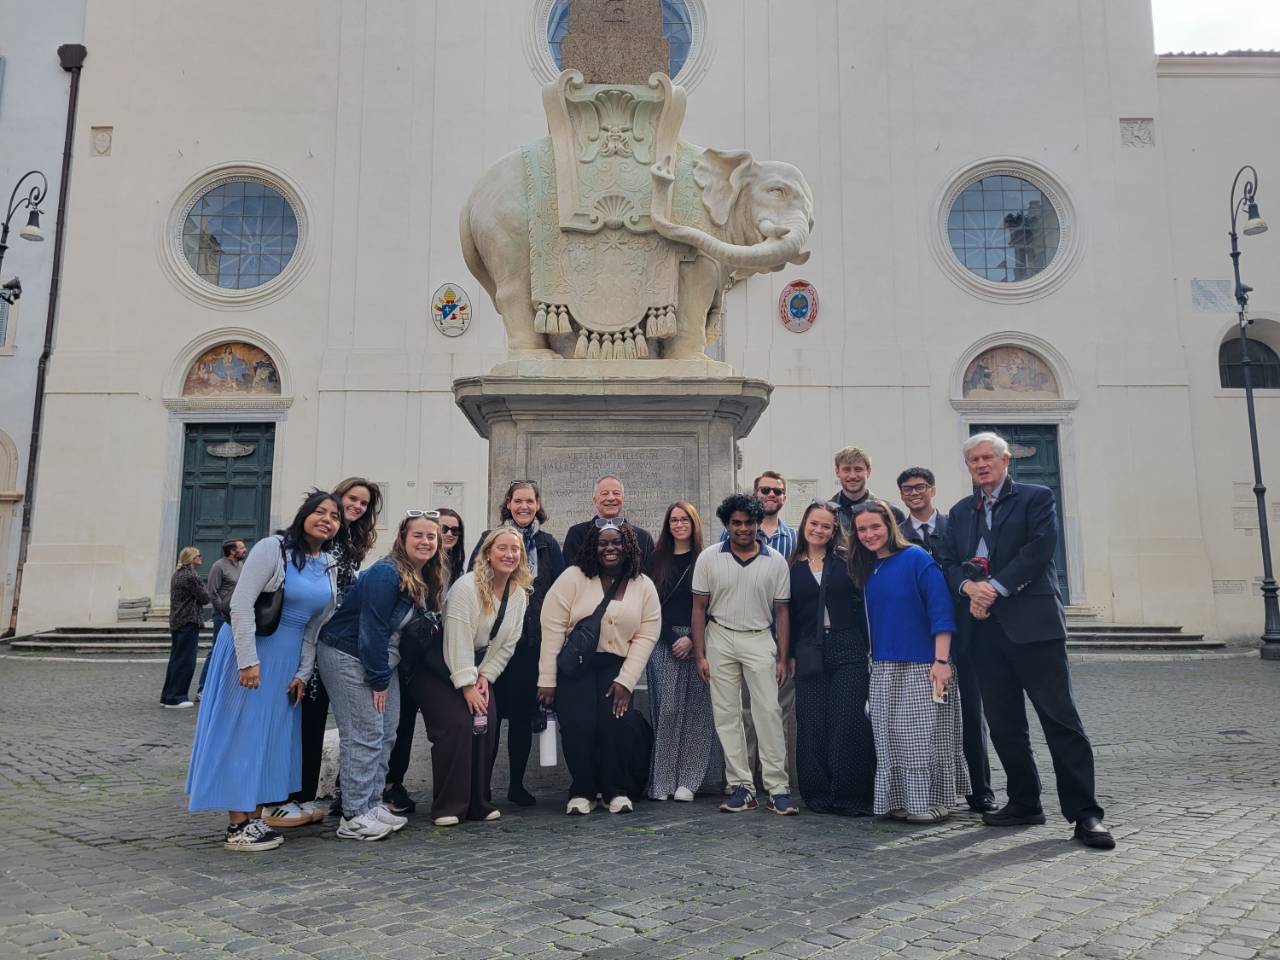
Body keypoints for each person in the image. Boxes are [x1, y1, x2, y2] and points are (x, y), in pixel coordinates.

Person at [941, 433, 1114, 849]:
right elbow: (947, 561)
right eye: (974, 460)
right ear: (968, 467)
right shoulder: (962, 511)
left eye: (988, 458)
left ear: (1005, 461)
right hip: (983, 631)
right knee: (1004, 724)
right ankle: (1024, 801)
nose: (981, 465)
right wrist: (968, 587)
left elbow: (1040, 550)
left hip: (1034, 628)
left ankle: (1085, 814)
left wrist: (994, 588)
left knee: (1060, 720)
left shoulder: (1037, 497)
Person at [185, 491, 341, 851]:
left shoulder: (327, 563)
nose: (327, 519)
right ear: (303, 514)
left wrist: (303, 673)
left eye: (334, 516)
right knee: (244, 734)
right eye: (319, 511)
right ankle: (237, 826)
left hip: (287, 660)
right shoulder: (274, 548)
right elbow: (240, 604)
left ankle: (255, 819)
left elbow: (313, 628)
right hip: (253, 652)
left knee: (269, 737)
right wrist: (248, 661)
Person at [316, 511, 444, 840]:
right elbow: (371, 630)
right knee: (365, 732)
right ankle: (354, 815)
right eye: (418, 535)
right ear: (403, 538)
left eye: (431, 536)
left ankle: (372, 803)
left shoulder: (421, 575)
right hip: (349, 654)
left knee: (387, 732)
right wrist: (378, 680)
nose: (425, 541)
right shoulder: (386, 574)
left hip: (381, 661)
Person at [849, 499, 967, 824]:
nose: (870, 534)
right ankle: (900, 799)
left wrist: (941, 660)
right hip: (884, 667)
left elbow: (941, 612)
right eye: (862, 529)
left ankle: (932, 800)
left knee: (924, 738)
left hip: (925, 664)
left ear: (889, 526)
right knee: (889, 739)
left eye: (875, 526)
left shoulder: (916, 558)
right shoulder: (868, 568)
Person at [539, 520, 660, 815]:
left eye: (616, 542)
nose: (610, 548)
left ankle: (614, 790)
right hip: (576, 666)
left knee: (614, 725)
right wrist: (547, 679)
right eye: (603, 543)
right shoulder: (573, 578)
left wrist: (628, 680)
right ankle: (582, 790)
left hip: (616, 667)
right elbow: (552, 627)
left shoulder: (642, 585)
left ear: (628, 546)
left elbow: (647, 634)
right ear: (593, 546)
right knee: (578, 726)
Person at [456, 482, 566, 807]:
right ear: (508, 503)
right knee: (488, 715)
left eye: (529, 501)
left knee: (521, 718)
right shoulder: (490, 539)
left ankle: (516, 785)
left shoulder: (547, 544)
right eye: (518, 500)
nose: (524, 506)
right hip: (494, 642)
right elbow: (473, 579)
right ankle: (482, 786)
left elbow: (560, 593)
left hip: (531, 644)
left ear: (537, 504)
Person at [282, 478, 383, 826]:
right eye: (351, 499)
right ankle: (287, 796)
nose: (356, 507)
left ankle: (305, 795)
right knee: (299, 717)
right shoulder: (317, 545)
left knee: (315, 715)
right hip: (304, 636)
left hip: (330, 639)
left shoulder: (347, 544)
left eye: (363, 503)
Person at [898, 466, 995, 814]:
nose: (914, 493)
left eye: (920, 487)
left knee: (971, 709)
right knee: (922, 715)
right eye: (907, 489)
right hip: (920, 634)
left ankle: (980, 789)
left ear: (933, 489)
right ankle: (935, 787)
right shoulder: (898, 534)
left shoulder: (955, 527)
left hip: (963, 630)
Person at [692, 493, 797, 816]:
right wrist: (700, 655)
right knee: (727, 715)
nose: (743, 528)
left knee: (767, 712)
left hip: (759, 637)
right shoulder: (709, 558)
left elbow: (782, 612)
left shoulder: (775, 561)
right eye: (736, 523)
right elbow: (698, 608)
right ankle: (741, 786)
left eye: (749, 522)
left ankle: (777, 788)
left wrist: (782, 656)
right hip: (720, 635)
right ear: (727, 524)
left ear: (757, 524)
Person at [418, 527, 530, 826]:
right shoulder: (467, 588)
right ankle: (449, 806)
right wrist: (467, 685)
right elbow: (456, 639)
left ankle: (479, 802)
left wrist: (487, 677)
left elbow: (507, 643)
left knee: (487, 723)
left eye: (515, 549)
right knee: (457, 726)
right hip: (441, 669)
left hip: (477, 670)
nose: (509, 554)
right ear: (488, 553)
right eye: (502, 548)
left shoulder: (519, 594)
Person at [788, 501, 874, 816]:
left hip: (847, 644)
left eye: (826, 525)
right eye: (814, 524)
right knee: (811, 722)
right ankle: (818, 794)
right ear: (804, 525)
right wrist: (789, 654)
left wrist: (870, 648)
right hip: (809, 648)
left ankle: (851, 795)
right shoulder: (792, 565)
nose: (819, 530)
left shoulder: (847, 560)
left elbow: (863, 604)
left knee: (847, 720)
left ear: (834, 529)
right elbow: (789, 615)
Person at [718, 471, 799, 794]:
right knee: (741, 713)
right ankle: (742, 778)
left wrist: (785, 651)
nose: (771, 495)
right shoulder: (727, 543)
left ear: (784, 497)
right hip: (735, 637)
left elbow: (787, 601)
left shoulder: (793, 540)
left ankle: (773, 778)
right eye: (765, 490)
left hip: (775, 640)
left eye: (778, 491)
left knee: (773, 712)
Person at [384, 503, 467, 814]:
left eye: (453, 530)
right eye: (440, 529)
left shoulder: (458, 572)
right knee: (398, 724)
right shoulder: (406, 569)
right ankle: (387, 786)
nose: (446, 534)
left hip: (435, 659)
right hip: (405, 658)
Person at [645, 502, 715, 801]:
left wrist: (692, 639)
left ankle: (689, 780)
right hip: (663, 641)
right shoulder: (654, 559)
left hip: (698, 640)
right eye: (673, 519)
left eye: (684, 519)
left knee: (698, 711)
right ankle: (662, 781)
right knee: (669, 710)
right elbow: (647, 605)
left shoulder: (707, 559)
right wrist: (671, 636)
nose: (679, 524)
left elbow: (714, 604)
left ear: (694, 523)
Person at [561, 475, 656, 567]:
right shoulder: (577, 534)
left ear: (623, 499)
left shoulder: (643, 537)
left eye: (616, 493)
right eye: (604, 493)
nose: (611, 498)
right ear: (594, 500)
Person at [198, 538, 246, 701]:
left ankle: (227, 688)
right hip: (222, 616)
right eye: (241, 547)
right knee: (216, 650)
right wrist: (223, 611)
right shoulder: (219, 566)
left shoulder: (240, 566)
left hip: (238, 615)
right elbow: (212, 592)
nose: (245, 549)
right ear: (232, 551)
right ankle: (203, 688)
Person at [162, 547, 210, 709]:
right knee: (186, 661)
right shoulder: (191, 575)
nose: (201, 557)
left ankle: (167, 696)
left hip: (177, 620)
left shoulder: (178, 574)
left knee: (176, 659)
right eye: (198, 555)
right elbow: (204, 598)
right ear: (190, 558)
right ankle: (177, 697)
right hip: (188, 620)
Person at [829, 446, 905, 539]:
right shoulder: (826, 513)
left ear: (868, 471)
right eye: (846, 470)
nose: (852, 476)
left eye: (858, 469)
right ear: (837, 472)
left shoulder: (892, 513)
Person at [437, 508, 467, 582]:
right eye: (443, 529)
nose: (449, 534)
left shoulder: (454, 562)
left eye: (454, 530)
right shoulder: (422, 561)